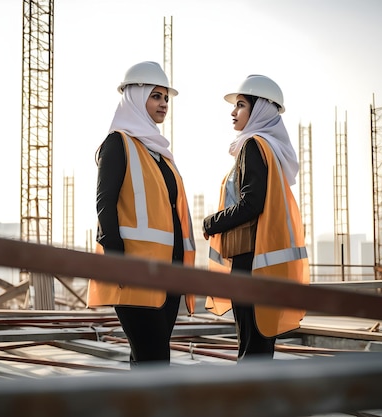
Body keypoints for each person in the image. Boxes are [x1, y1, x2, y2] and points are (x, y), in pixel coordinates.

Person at [87, 61, 196, 369]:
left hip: (170, 273)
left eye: (166, 98)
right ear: (136, 97)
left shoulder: (162, 154)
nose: (163, 104)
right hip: (135, 273)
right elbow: (104, 204)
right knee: (154, 359)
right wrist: (118, 263)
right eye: (156, 96)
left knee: (150, 358)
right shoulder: (117, 143)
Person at [202, 74, 309, 362]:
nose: (233, 112)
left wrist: (212, 223)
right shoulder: (272, 150)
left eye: (240, 105)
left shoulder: (253, 146)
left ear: (259, 109)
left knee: (251, 348)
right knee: (260, 347)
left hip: (250, 261)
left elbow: (251, 204)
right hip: (266, 262)